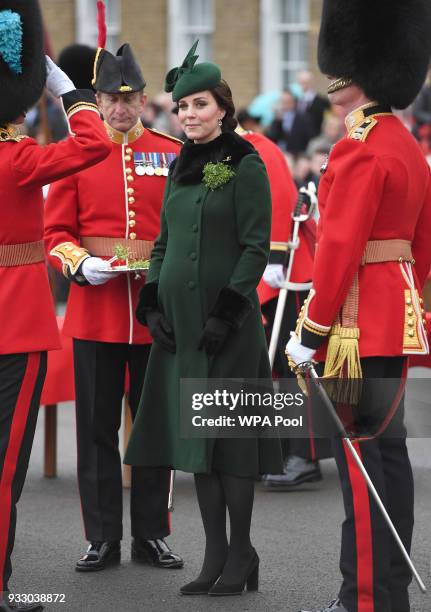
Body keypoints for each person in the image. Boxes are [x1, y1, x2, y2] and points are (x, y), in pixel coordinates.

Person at [286, 1, 431, 611]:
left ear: (356, 72)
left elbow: (341, 249)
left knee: (363, 464)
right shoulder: (404, 145)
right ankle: (384, 591)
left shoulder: (359, 147)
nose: (331, 78)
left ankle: (365, 597)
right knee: (387, 458)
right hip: (394, 320)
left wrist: (311, 330)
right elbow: (421, 250)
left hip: (353, 327)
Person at [125, 41, 282, 596]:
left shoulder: (246, 163)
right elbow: (164, 244)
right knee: (199, 449)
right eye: (182, 107)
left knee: (232, 446)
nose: (188, 115)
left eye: (199, 105)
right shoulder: (179, 167)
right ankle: (216, 555)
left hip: (228, 331)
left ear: (223, 107)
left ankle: (241, 553)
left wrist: (227, 313)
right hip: (182, 332)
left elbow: (255, 248)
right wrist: (151, 303)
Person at [44, 39, 183, 572]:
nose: (121, 108)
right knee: (96, 430)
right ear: (97, 101)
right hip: (97, 310)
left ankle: (152, 533)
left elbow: (192, 223)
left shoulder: (173, 154)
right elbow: (55, 231)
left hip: (154, 312)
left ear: (144, 99)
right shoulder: (77, 153)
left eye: (130, 99)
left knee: (153, 429)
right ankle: (102, 536)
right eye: (110, 99)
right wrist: (79, 263)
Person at [0, 2, 112, 610]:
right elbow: (93, 142)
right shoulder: (16, 158)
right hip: (16, 330)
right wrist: (63, 87)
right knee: (5, 471)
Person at [235, 121, 332, 487]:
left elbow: (277, 197)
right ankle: (274, 448)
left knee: (292, 361)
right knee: (266, 362)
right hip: (251, 268)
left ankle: (304, 454)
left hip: (284, 267)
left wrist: (275, 256)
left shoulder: (259, 147)